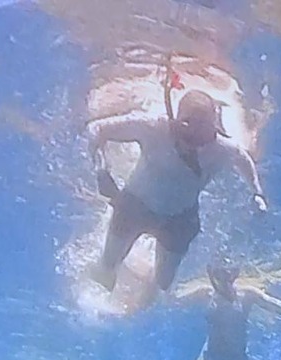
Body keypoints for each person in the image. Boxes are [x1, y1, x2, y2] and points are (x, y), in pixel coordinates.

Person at [88, 88, 263, 297]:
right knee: (106, 271)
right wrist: (101, 169)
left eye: (203, 131)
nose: (196, 140)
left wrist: (257, 192)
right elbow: (96, 128)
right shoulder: (154, 127)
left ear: (214, 127)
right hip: (134, 207)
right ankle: (108, 271)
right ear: (178, 121)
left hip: (179, 220)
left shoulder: (222, 148)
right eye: (189, 128)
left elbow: (244, 160)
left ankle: (139, 275)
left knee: (162, 284)